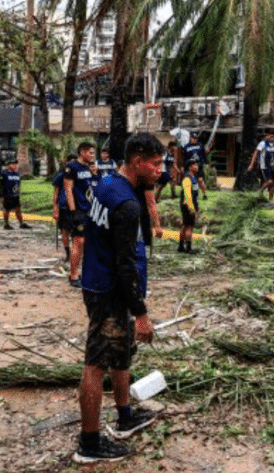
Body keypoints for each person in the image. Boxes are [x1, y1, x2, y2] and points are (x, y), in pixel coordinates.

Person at [74, 133, 163, 464]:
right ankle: (89, 443)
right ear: (137, 161)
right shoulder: (125, 204)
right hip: (109, 290)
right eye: (155, 164)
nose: (160, 170)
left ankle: (125, 416)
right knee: (96, 364)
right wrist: (140, 313)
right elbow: (124, 265)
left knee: (121, 350)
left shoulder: (110, 183)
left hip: (104, 282)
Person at [64, 141, 96, 287]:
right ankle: (73, 275)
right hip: (79, 211)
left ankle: (84, 273)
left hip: (91, 210)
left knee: (89, 243)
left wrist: (94, 174)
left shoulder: (88, 168)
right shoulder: (72, 167)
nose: (93, 155)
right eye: (90, 152)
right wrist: (73, 210)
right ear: (82, 152)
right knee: (78, 242)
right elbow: (68, 190)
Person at [52, 154, 78, 261]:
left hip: (77, 207)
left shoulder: (80, 175)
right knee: (65, 230)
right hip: (63, 207)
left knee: (77, 232)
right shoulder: (60, 176)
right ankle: (68, 253)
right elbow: (55, 194)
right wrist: (55, 209)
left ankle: (77, 252)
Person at [1, 159, 31, 230]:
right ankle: (6, 224)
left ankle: (21, 223)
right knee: (7, 210)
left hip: (16, 195)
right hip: (7, 195)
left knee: (18, 209)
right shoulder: (4, 174)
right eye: (13, 164)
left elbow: (18, 184)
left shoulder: (17, 174)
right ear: (8, 165)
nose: (15, 166)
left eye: (15, 164)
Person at [179, 159, 201, 254]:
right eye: (194, 165)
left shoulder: (193, 178)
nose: (197, 166)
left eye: (197, 165)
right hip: (188, 205)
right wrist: (191, 208)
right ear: (190, 167)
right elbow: (188, 195)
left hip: (191, 204)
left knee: (186, 226)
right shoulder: (187, 179)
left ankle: (181, 246)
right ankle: (188, 247)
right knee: (189, 227)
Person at [182, 132, 208, 199]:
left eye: (196, 138)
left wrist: (206, 163)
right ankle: (188, 195)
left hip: (198, 165)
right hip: (189, 166)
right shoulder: (186, 147)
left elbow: (204, 155)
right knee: (188, 180)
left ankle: (204, 194)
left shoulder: (200, 145)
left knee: (200, 180)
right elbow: (184, 158)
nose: (194, 139)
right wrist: (185, 166)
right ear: (190, 138)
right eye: (193, 138)